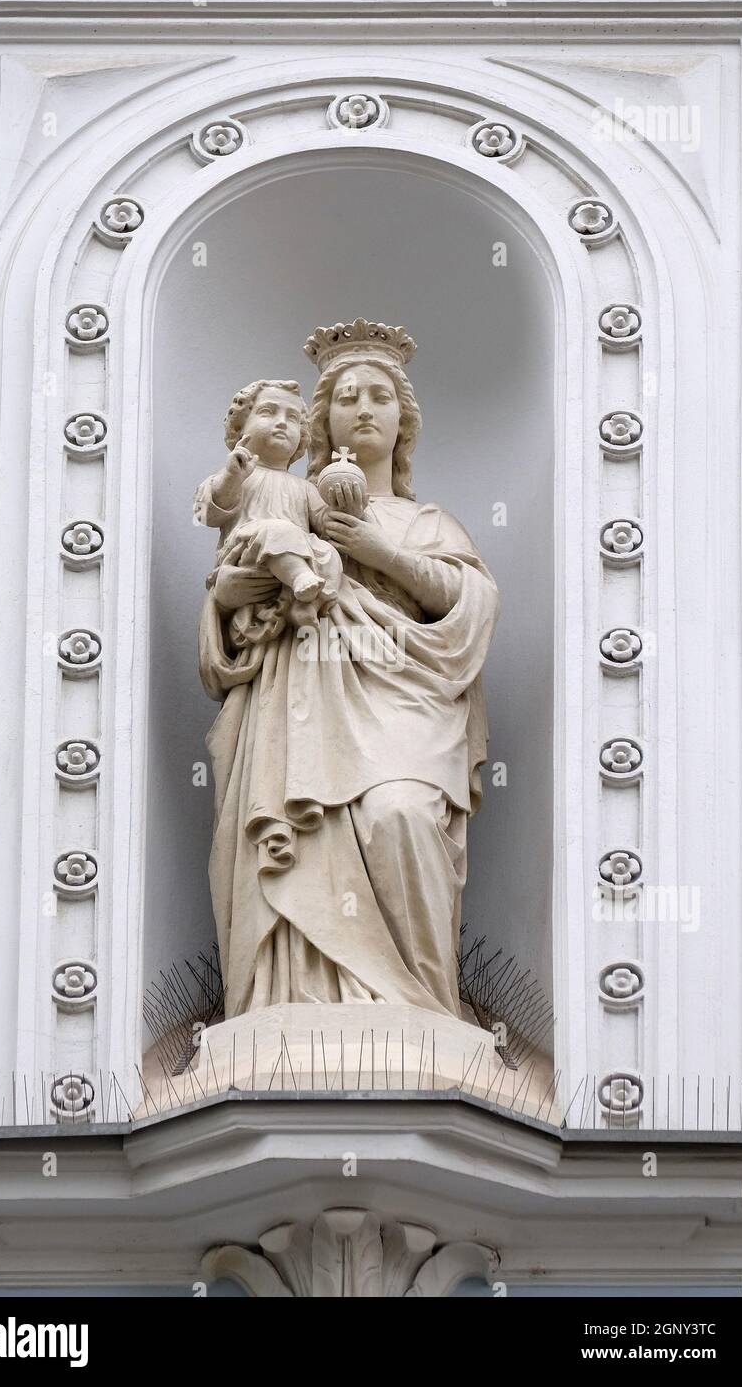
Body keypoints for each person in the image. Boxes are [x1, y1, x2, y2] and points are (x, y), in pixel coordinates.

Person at [197, 320, 500, 1018]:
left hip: (404, 693)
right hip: (297, 701)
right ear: (319, 420)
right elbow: (229, 594)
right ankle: (291, 1001)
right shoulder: (286, 502)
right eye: (345, 397)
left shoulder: (428, 520)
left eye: (380, 397)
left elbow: (471, 606)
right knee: (298, 837)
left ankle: (422, 1009)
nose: (363, 408)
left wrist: (377, 549)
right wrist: (228, 598)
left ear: (403, 423)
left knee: (401, 814)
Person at [193, 378, 341, 633]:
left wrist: (345, 500)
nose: (282, 422)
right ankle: (300, 579)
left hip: (294, 554)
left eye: (293, 418)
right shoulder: (236, 474)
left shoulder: (305, 488)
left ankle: (306, 604)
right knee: (278, 530)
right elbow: (204, 514)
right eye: (268, 412)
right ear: (240, 428)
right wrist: (232, 477)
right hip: (248, 554)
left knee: (330, 554)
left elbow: (327, 524)